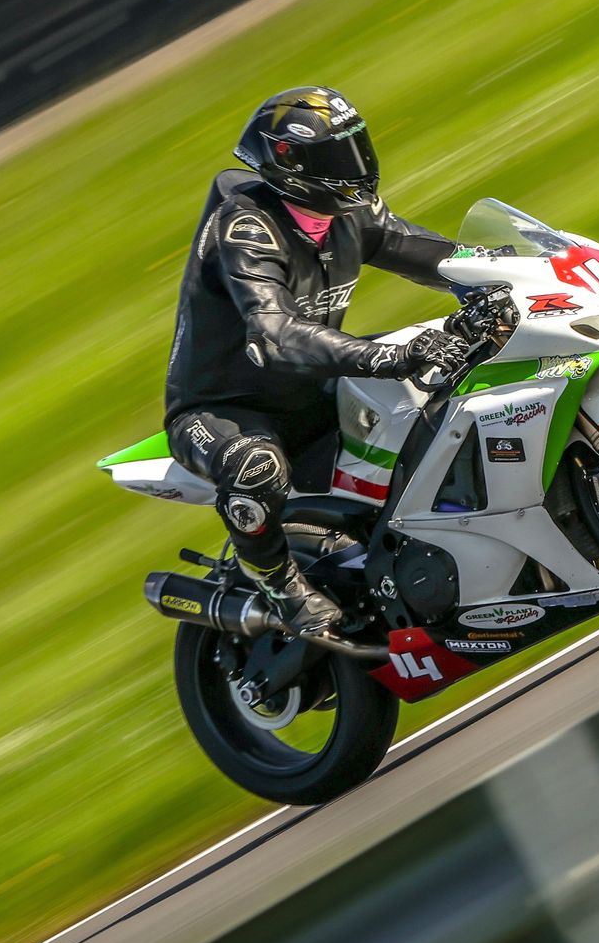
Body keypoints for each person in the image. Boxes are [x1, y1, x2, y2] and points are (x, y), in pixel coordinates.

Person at [164, 86, 469, 634]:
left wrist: (498, 276)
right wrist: (388, 356)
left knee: (446, 382)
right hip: (221, 410)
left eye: (356, 149)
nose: (355, 167)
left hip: (314, 393)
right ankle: (280, 587)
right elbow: (275, 336)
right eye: (337, 157)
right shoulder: (247, 226)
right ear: (290, 163)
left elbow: (424, 250)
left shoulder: (348, 214)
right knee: (257, 469)